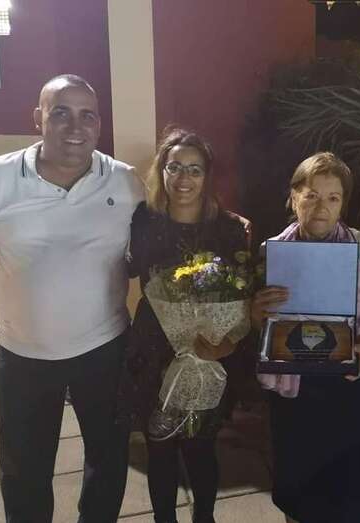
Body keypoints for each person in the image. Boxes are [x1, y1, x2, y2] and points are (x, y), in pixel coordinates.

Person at [0, 75, 144, 522]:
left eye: (87, 115)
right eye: (60, 113)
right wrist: (15, 274)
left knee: (108, 459)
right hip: (24, 354)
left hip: (104, 349)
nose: (75, 127)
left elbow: (149, 245)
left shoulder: (124, 182)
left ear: (99, 125)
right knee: (24, 469)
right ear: (37, 119)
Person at [117, 128, 251, 523]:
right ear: (161, 171)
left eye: (194, 169)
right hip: (152, 348)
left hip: (205, 350)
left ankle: (204, 517)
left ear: (207, 177)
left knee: (200, 446)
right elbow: (127, 267)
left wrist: (226, 344)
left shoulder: (228, 228)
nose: (183, 179)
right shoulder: (143, 220)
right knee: (158, 446)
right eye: (174, 167)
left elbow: (242, 296)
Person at [251, 152, 360, 523]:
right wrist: (255, 312)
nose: (321, 207)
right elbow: (262, 328)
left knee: (346, 489)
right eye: (311, 195)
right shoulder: (270, 251)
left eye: (333, 197)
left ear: (343, 203)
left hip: (349, 382)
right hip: (294, 387)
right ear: (294, 196)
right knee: (296, 488)